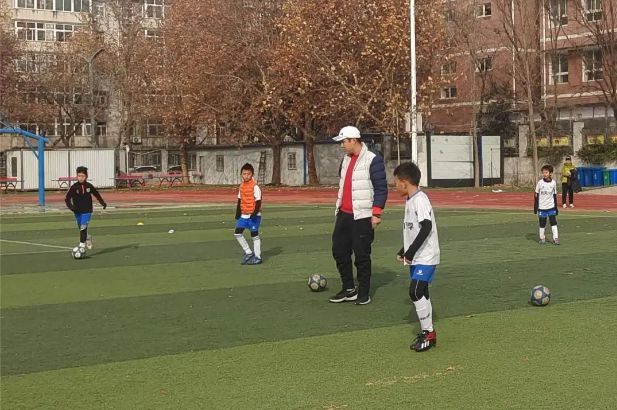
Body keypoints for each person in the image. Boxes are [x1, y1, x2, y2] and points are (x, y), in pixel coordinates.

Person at [329, 126, 388, 305]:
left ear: (353, 140)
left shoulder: (372, 160)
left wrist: (376, 213)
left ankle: (363, 292)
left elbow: (381, 188)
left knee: (361, 255)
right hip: (344, 214)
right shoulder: (345, 159)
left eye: (343, 142)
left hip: (363, 215)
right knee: (339, 251)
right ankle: (349, 289)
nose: (341, 146)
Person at [394, 162, 440, 352]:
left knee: (415, 291)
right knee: (422, 292)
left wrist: (410, 252)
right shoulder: (411, 199)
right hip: (417, 256)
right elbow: (414, 230)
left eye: (396, 182)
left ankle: (428, 333)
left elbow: (426, 226)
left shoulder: (420, 199)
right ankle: (428, 332)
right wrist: (404, 249)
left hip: (426, 255)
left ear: (404, 182)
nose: (395, 186)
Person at [65, 166, 107, 250]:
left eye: (83, 176)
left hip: (87, 210)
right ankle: (87, 237)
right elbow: (67, 199)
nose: (81, 178)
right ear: (77, 176)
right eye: (79, 176)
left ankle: (82, 245)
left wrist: (103, 203)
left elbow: (97, 194)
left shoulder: (89, 186)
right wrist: (71, 207)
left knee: (83, 226)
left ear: (86, 176)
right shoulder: (74, 187)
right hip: (77, 211)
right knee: (81, 228)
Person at [234, 163, 263, 265]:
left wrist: (254, 213)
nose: (246, 176)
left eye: (248, 174)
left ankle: (258, 257)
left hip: (254, 215)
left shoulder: (255, 187)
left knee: (254, 235)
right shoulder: (241, 186)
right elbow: (239, 200)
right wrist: (238, 213)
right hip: (244, 214)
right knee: (237, 233)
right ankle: (248, 252)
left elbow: (258, 201)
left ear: (252, 174)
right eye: (244, 174)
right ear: (241, 174)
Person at [534, 164, 560, 245]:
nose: (544, 174)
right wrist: (535, 207)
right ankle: (542, 238)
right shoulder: (540, 183)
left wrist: (556, 207)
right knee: (542, 224)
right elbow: (536, 195)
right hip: (542, 207)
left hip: (551, 207)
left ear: (550, 173)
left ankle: (556, 238)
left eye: (546, 172)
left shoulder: (553, 183)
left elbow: (554, 195)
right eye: (543, 172)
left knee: (553, 222)